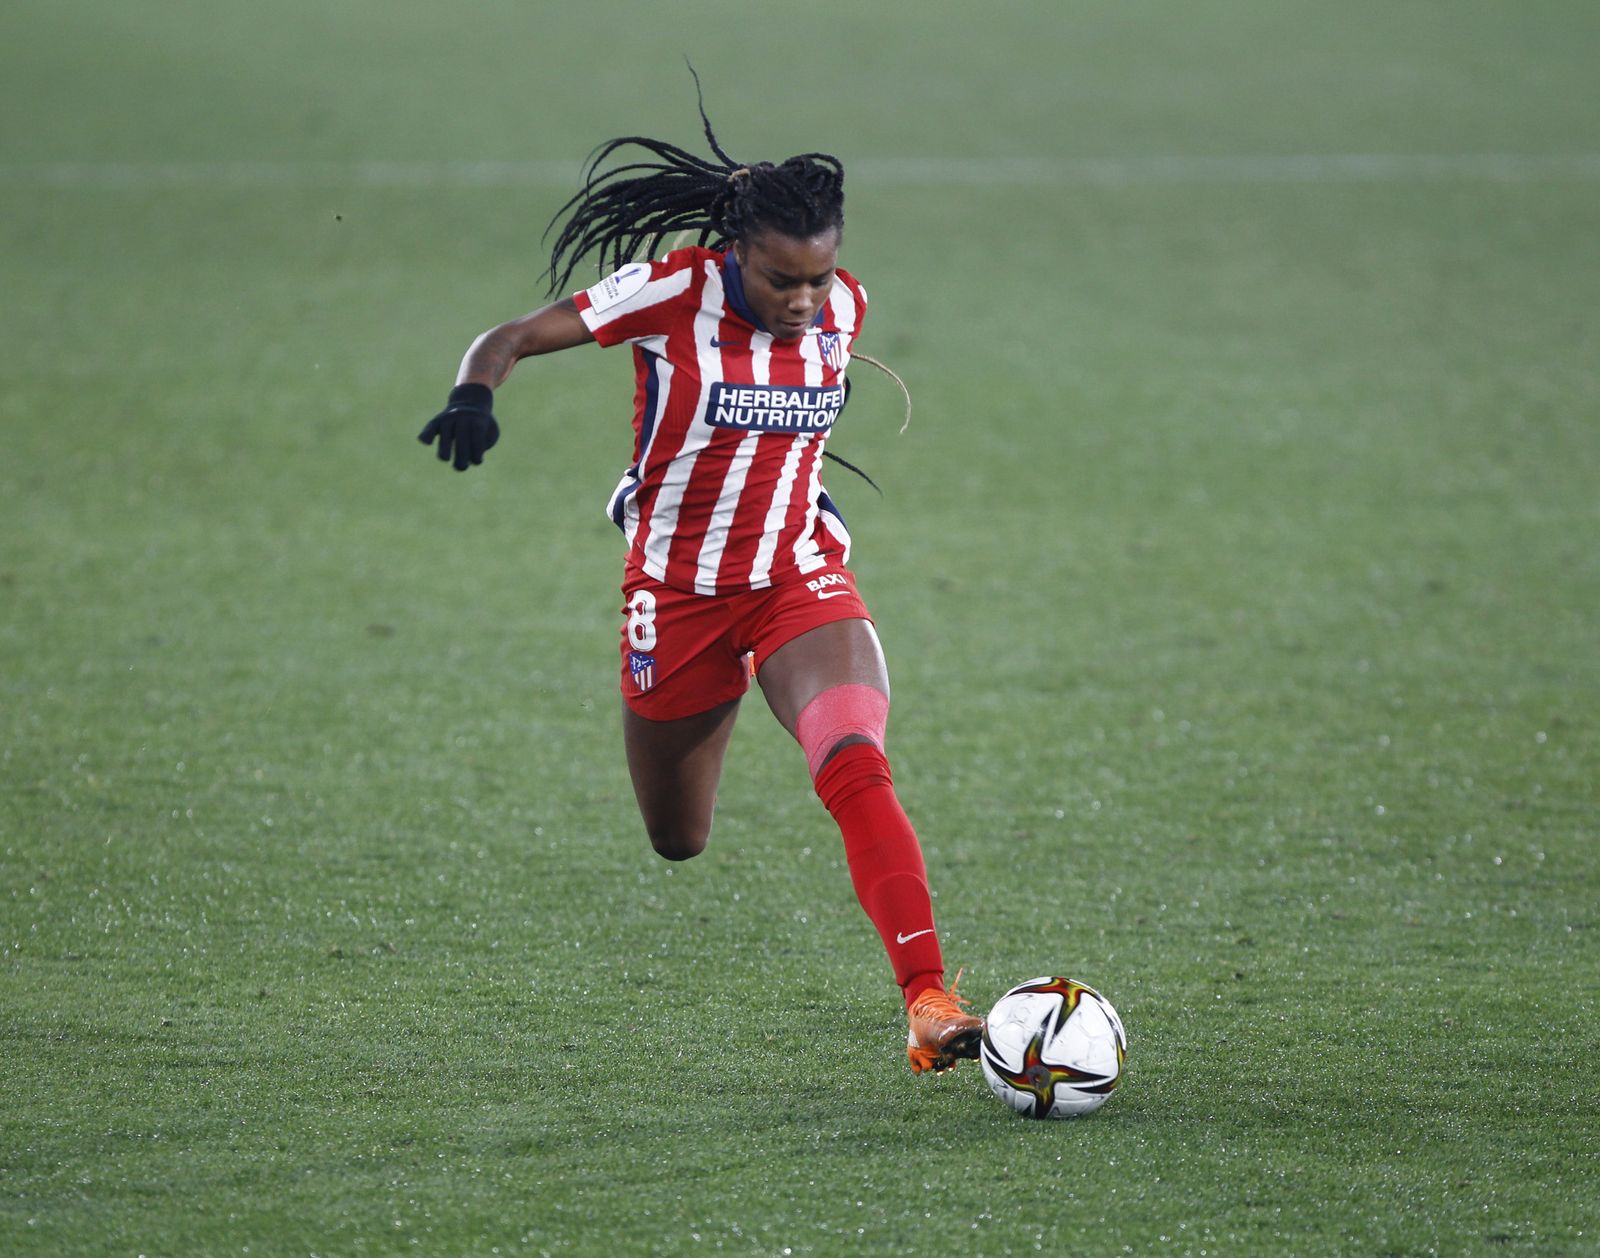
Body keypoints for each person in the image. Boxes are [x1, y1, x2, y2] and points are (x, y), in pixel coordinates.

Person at [418, 90, 983, 1075]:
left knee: (854, 763)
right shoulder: (670, 293)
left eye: (817, 277)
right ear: (738, 251)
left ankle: (928, 1001)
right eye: (780, 279)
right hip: (675, 596)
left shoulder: (845, 306)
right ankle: (707, 739)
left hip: (796, 577)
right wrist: (474, 392)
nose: (803, 300)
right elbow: (508, 334)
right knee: (677, 837)